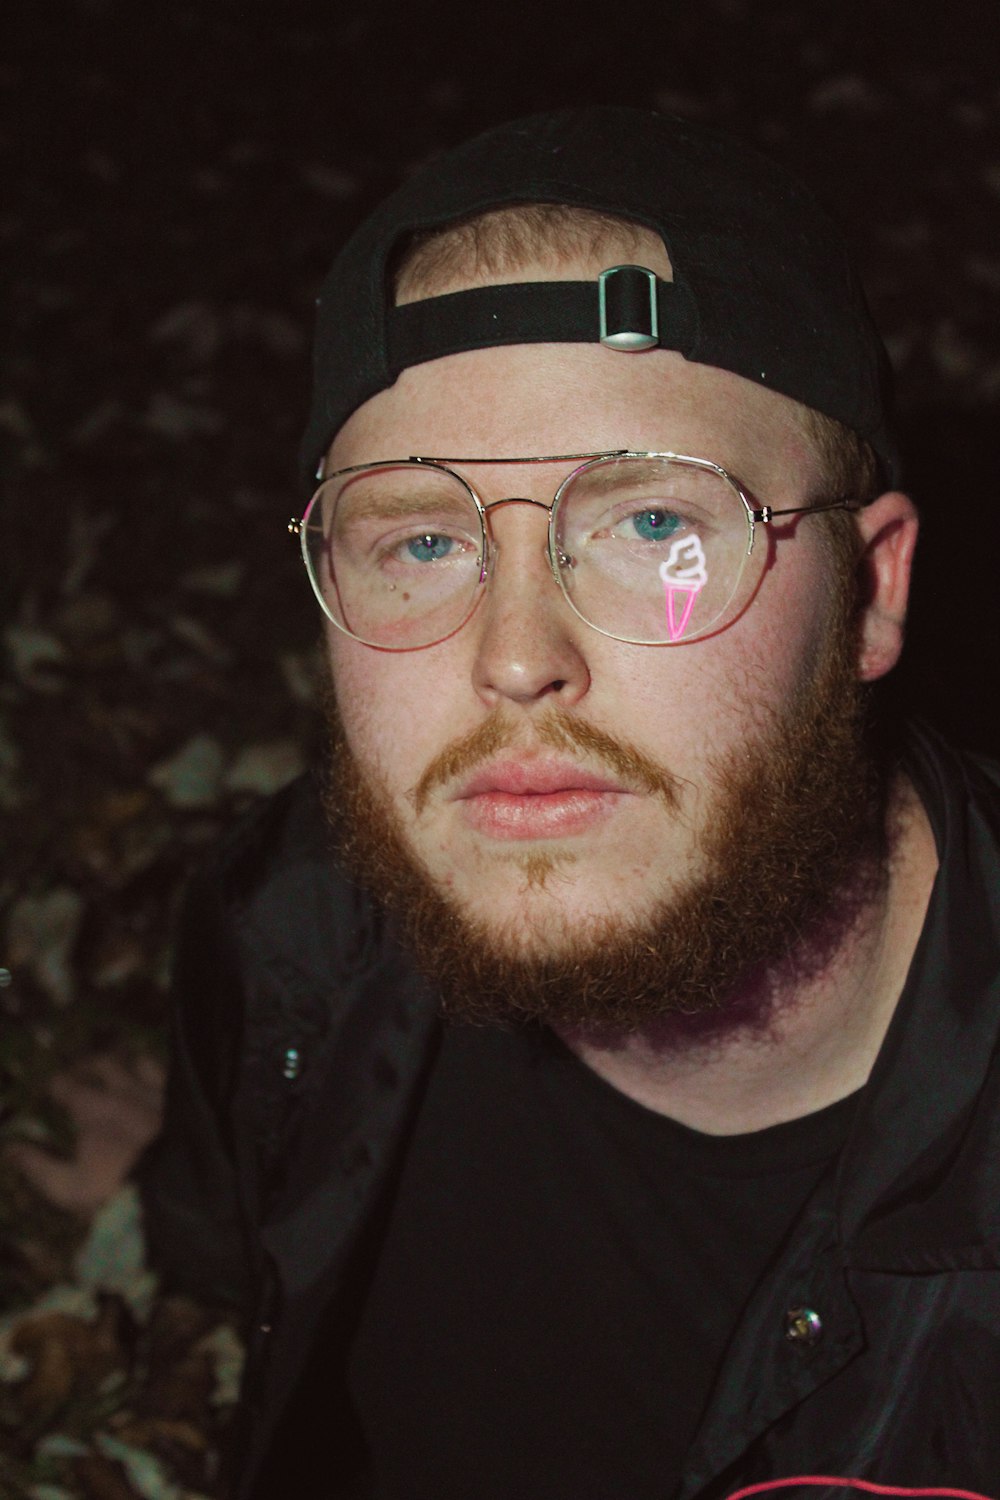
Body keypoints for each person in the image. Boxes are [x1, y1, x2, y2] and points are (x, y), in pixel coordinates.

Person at [141, 108, 1000, 1500]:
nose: (516, 655)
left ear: (874, 591)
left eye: (656, 523)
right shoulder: (288, 928)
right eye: (421, 538)